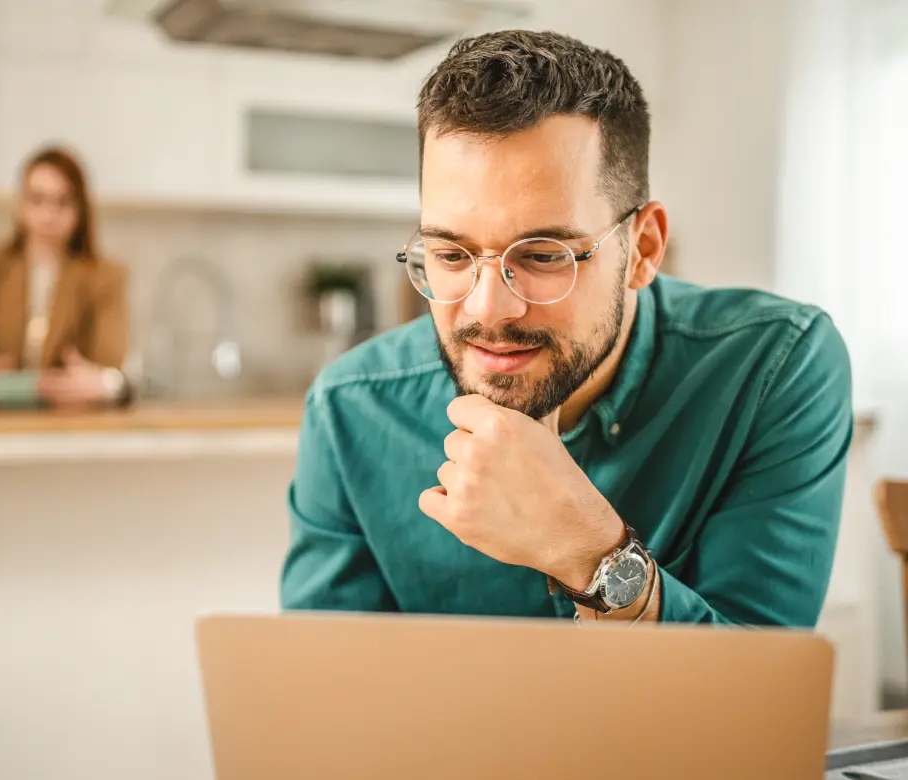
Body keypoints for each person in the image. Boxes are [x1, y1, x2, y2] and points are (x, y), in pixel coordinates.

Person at [280, 30, 854, 626]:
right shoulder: (349, 410)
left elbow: (761, 700)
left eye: (544, 254)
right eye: (451, 255)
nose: (487, 310)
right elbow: (326, 698)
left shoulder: (775, 367)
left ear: (644, 248)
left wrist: (589, 552)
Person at [0, 145, 131, 411]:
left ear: (81, 209)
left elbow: (111, 366)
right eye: (37, 200)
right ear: (20, 204)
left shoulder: (105, 277)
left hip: (73, 425)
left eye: (63, 202)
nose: (48, 215)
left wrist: (104, 381)